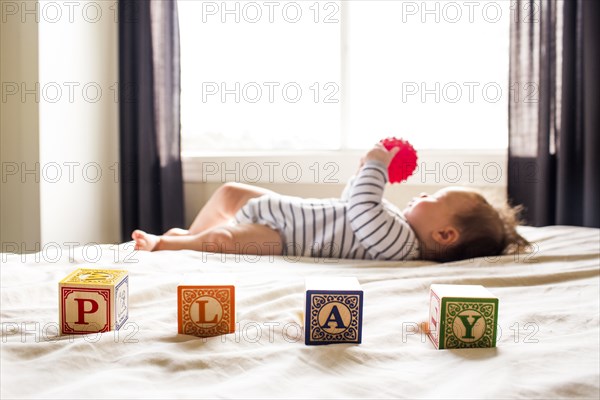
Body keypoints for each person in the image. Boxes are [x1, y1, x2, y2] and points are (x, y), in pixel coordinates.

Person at [132, 143, 529, 262]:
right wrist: (362, 173)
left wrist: (375, 166)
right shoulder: (395, 225)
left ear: (444, 233)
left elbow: (362, 209)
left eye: (435, 197)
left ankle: (167, 243)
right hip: (288, 211)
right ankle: (194, 234)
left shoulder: (402, 246)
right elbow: (352, 202)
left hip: (284, 237)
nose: (424, 194)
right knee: (229, 192)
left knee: (226, 240)